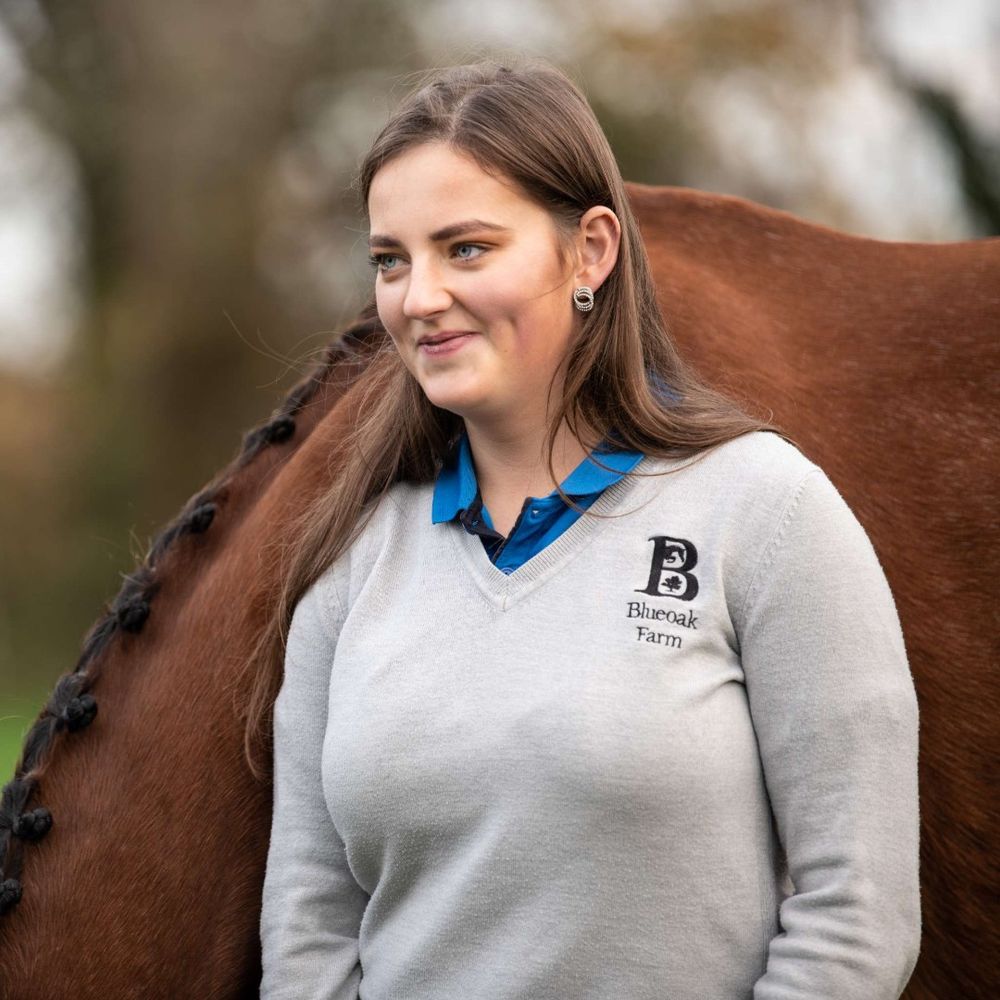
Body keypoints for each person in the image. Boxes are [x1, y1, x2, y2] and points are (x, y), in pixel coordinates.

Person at [257, 58, 920, 999]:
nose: (419, 297)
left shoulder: (766, 512)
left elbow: (860, 913)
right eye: (390, 260)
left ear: (592, 251)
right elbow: (307, 926)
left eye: (467, 248)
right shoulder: (353, 566)